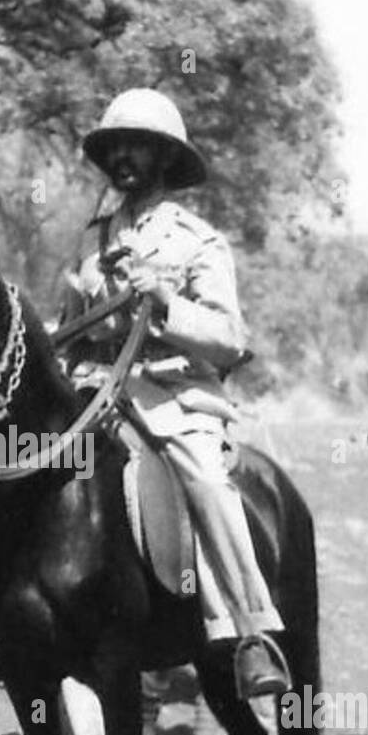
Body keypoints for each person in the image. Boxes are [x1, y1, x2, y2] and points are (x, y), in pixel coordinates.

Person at [57, 87, 287, 698]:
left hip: (171, 394)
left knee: (207, 481)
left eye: (140, 146)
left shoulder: (198, 241)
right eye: (117, 147)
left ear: (164, 158)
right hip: (93, 390)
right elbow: (68, 330)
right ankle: (21, 624)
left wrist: (166, 304)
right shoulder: (90, 239)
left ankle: (249, 632)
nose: (125, 157)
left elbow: (229, 337)